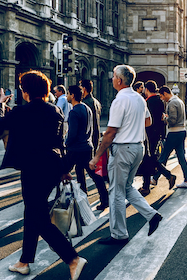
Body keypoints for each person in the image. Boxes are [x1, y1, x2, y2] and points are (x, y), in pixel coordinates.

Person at [0, 71, 87, 280]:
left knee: (39, 218)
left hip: (33, 168)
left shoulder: (22, 111)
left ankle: (73, 259)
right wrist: (64, 169)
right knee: (32, 211)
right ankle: (24, 260)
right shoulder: (55, 110)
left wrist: (0, 104)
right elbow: (60, 142)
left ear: (26, 91)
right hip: (52, 166)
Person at [89, 64, 163, 245]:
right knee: (128, 187)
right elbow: (148, 121)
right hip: (138, 148)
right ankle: (152, 215)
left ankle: (119, 234)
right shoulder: (139, 98)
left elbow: (110, 132)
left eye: (113, 76)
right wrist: (132, 125)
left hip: (123, 149)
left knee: (115, 192)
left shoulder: (119, 100)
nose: (112, 78)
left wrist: (97, 156)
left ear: (119, 80)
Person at [63, 84, 109, 209]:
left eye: (68, 93)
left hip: (75, 149)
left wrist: (66, 144)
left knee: (61, 171)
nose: (67, 96)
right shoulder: (86, 108)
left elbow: (72, 133)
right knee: (93, 174)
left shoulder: (74, 111)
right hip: (87, 146)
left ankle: (59, 201)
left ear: (72, 95)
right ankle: (104, 199)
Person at [138, 80, 175, 195]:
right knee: (150, 159)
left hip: (149, 135)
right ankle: (163, 177)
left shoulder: (148, 102)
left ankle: (148, 185)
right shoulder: (160, 101)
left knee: (148, 159)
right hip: (157, 134)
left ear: (147, 90)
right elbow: (162, 118)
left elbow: (146, 120)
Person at [153, 86, 187, 188]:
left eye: (162, 96)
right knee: (181, 157)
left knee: (163, 156)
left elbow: (173, 120)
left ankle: (154, 179)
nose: (162, 98)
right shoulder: (179, 101)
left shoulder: (172, 103)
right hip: (182, 131)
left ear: (165, 93)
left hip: (174, 133)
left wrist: (165, 118)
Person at [80, 79, 102, 152]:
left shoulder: (85, 103)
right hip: (96, 136)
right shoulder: (96, 102)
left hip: (88, 138)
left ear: (84, 89)